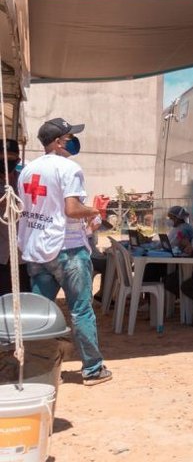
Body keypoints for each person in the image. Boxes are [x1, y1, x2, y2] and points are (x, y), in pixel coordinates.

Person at [18, 118, 112, 386]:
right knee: (81, 310)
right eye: (69, 136)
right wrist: (94, 210)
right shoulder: (69, 168)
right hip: (67, 249)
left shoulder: (28, 171)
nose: (72, 141)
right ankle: (93, 369)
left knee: (41, 313)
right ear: (58, 141)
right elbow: (71, 209)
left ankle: (36, 369)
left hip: (37, 250)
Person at [0, 139, 29, 296]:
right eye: (3, 159)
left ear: (17, 160)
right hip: (2, 253)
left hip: (22, 254)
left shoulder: (24, 181)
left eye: (11, 159)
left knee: (23, 296)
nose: (6, 163)